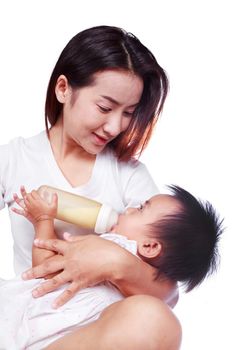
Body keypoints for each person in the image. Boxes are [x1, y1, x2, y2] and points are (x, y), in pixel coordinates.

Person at [0, 25, 181, 349]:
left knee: (156, 319)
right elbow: (43, 270)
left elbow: (168, 293)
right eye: (105, 107)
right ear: (63, 88)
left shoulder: (128, 176)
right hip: (37, 321)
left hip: (97, 333)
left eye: (128, 113)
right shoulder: (14, 159)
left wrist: (113, 261)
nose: (116, 126)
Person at [0, 184, 223, 349]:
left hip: (30, 321)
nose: (128, 210)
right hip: (46, 335)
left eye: (140, 209)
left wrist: (43, 221)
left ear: (149, 246)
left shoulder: (108, 247)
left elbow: (45, 271)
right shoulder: (134, 285)